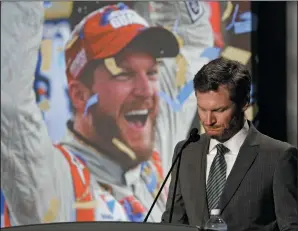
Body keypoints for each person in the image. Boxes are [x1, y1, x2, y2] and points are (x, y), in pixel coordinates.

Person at [1, 1, 213, 226]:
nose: (145, 90)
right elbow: (8, 102)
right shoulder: (54, 183)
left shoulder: (155, 145)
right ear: (80, 95)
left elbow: (190, 38)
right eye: (124, 73)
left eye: (151, 72)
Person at [161, 57, 298, 231]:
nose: (208, 120)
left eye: (219, 110)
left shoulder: (279, 157)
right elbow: (173, 223)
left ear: (244, 103)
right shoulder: (186, 150)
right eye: (202, 109)